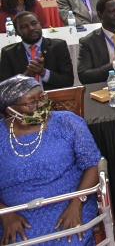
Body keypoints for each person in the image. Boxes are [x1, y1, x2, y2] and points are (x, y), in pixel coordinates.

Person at [0, 75, 102, 245]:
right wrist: (6, 213)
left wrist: (76, 204)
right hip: (16, 211)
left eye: (42, 97)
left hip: (69, 201)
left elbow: (93, 164)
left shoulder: (68, 122)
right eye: (30, 102)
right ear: (11, 110)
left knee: (69, 240)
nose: (40, 105)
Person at [0, 12, 72, 89]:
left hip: (54, 98)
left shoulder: (58, 46)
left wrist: (43, 72)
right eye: (24, 26)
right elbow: (5, 89)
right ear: (17, 31)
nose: (31, 28)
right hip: (25, 100)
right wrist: (26, 75)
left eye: (34, 23)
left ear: (40, 25)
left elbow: (68, 81)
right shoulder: (9, 53)